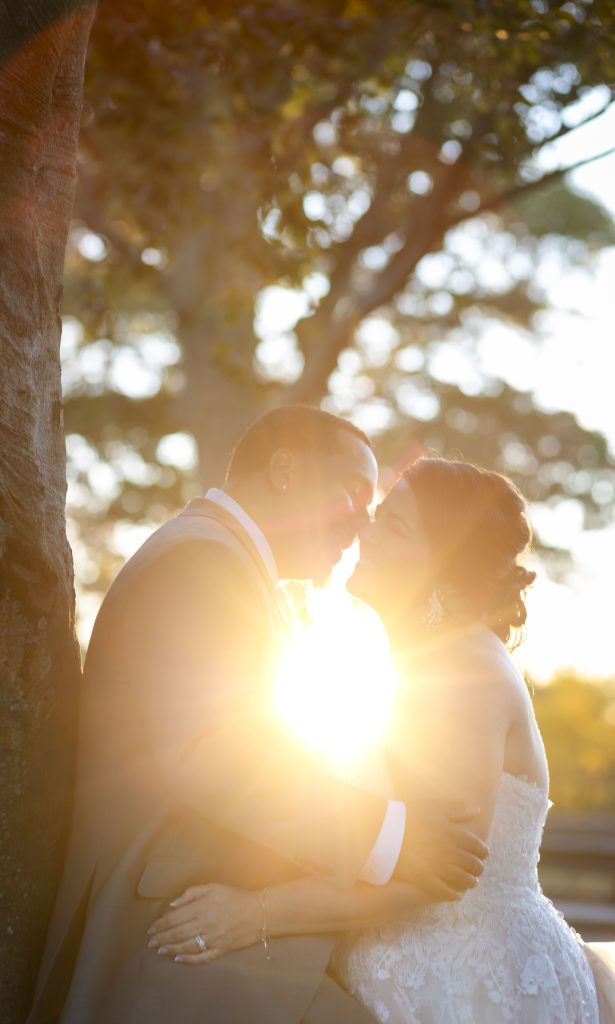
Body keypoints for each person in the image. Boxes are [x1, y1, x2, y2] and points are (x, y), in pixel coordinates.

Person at [28, 410, 487, 1024]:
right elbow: (212, 753)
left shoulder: (228, 559)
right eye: (353, 493)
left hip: (219, 910)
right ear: (286, 470)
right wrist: (391, 838)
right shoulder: (203, 559)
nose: (362, 521)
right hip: (169, 928)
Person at [147, 458, 605, 1023]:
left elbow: (440, 875)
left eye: (394, 526)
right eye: (378, 517)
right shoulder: (415, 664)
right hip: (396, 964)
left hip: (462, 985)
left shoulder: (461, 672)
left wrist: (255, 912)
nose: (364, 532)